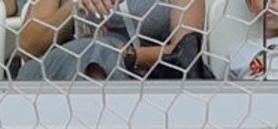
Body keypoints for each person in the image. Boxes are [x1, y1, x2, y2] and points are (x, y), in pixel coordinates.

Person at [16, 0, 208, 81]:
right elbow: (28, 47)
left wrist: (129, 56)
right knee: (95, 52)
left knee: (101, 53)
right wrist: (75, 7)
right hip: (59, 76)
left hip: (143, 78)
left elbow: (186, 51)